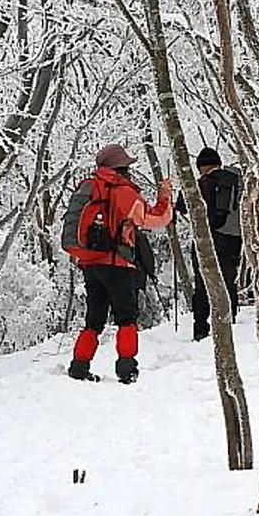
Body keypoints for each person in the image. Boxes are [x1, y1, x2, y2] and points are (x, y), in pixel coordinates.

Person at [64, 143, 172, 383]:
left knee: (94, 319)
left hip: (90, 263)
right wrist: (165, 196)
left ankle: (79, 366)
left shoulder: (89, 187)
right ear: (121, 167)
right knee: (126, 317)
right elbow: (155, 218)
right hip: (117, 263)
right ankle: (127, 369)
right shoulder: (123, 192)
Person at [175, 147, 243, 341]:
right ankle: (230, 324)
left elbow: (181, 205)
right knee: (228, 280)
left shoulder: (202, 184)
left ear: (201, 167)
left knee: (203, 283)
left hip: (208, 239)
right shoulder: (237, 181)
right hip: (234, 239)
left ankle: (201, 330)